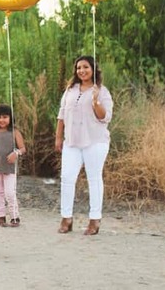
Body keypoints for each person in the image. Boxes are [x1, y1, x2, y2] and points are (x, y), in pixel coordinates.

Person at [54, 55, 113, 235]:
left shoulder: (101, 91)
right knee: (67, 178)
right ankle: (66, 218)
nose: (82, 71)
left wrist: (95, 101)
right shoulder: (70, 90)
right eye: (79, 67)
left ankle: (94, 220)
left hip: (94, 141)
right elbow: (61, 115)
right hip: (72, 141)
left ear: (93, 69)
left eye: (86, 67)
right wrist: (58, 137)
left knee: (94, 179)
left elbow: (104, 117)